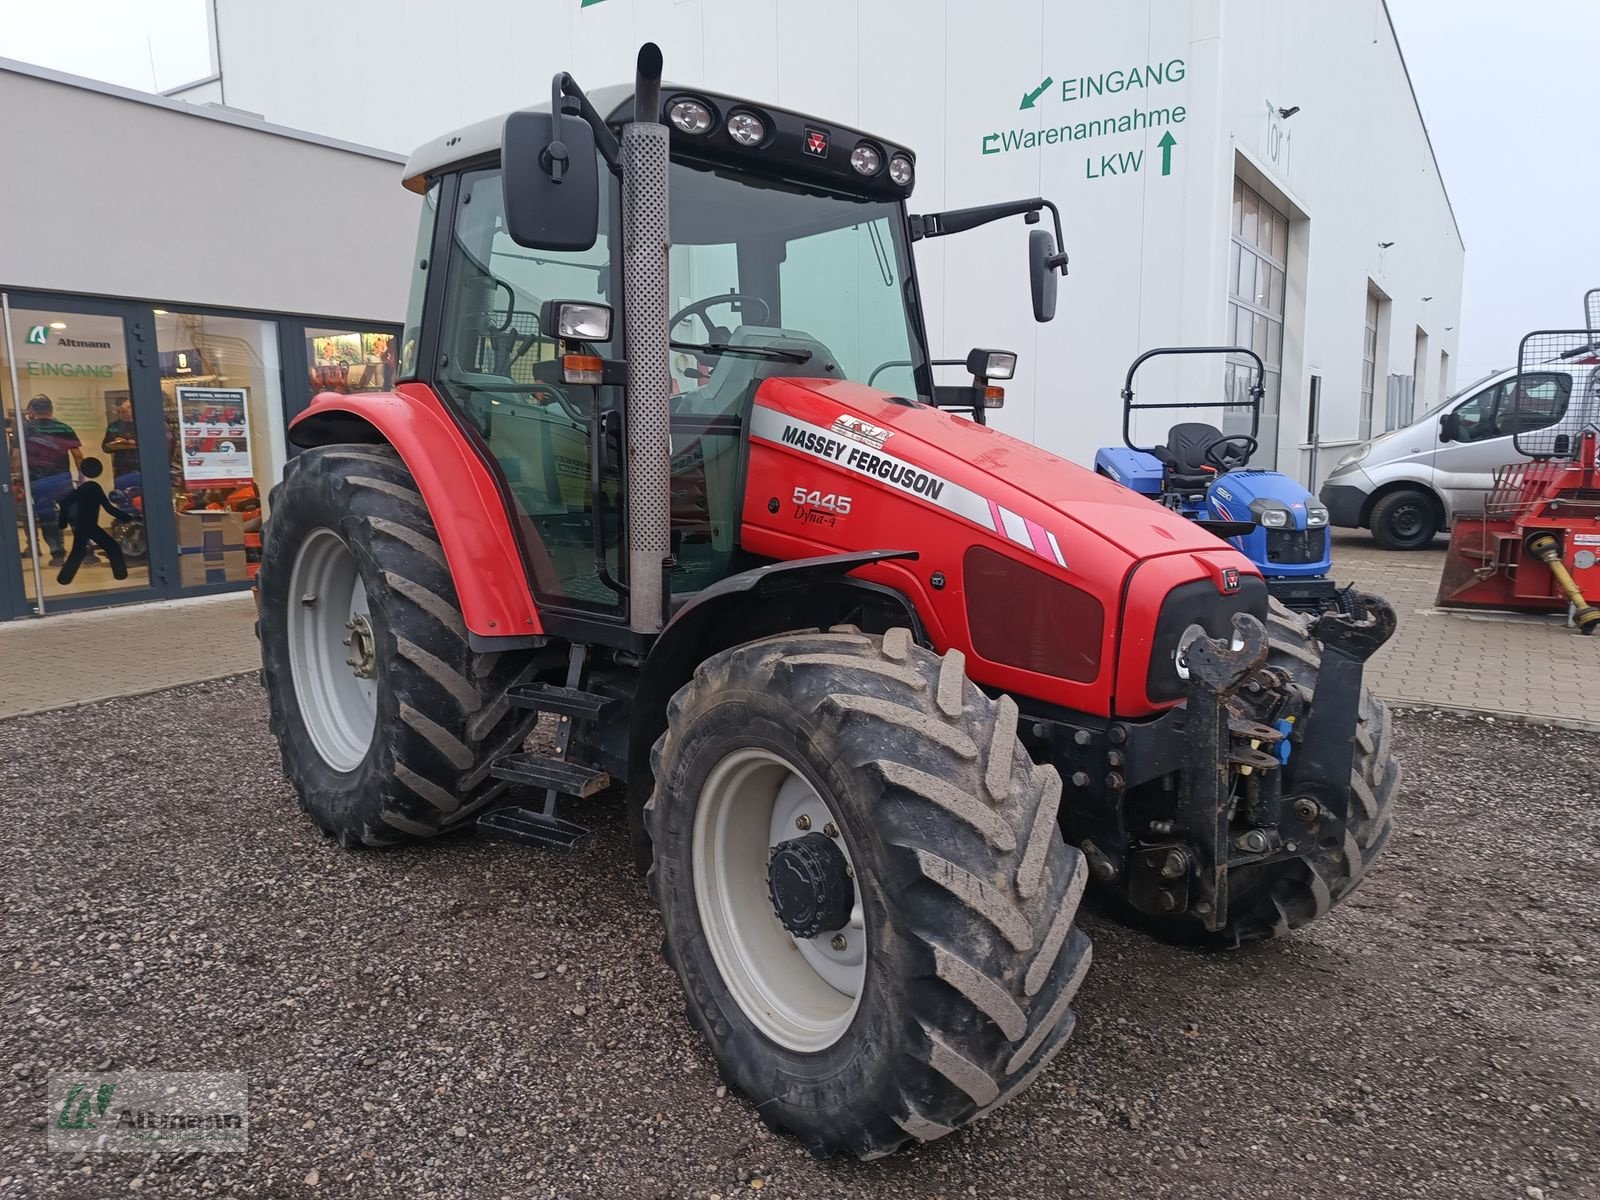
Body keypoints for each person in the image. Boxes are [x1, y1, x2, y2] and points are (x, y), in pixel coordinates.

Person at [9, 394, 82, 565]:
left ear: (32, 411)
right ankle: (84, 552)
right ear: (51, 409)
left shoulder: (24, 429)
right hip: (62, 479)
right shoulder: (64, 427)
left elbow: (17, 458)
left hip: (38, 482)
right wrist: (81, 477)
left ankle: (57, 555)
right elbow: (78, 455)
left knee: (47, 517)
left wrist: (20, 479)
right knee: (73, 513)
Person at [55, 457, 135, 585]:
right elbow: (108, 508)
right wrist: (128, 518)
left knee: (79, 551)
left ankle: (64, 578)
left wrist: (62, 523)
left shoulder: (84, 488)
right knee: (112, 547)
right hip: (89, 525)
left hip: (83, 525)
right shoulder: (93, 487)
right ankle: (120, 575)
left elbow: (65, 503)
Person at [101, 399, 140, 479]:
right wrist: (116, 442)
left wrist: (135, 442)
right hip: (122, 467)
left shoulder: (141, 424)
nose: (126, 412)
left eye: (128, 408)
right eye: (122, 411)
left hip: (140, 465)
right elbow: (105, 447)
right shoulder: (114, 426)